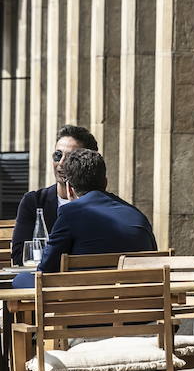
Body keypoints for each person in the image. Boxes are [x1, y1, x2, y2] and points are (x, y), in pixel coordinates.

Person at [11, 148, 155, 289]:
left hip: (84, 307)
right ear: (105, 182)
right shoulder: (137, 215)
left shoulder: (69, 214)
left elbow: (45, 271)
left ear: (69, 189)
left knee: (20, 280)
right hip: (137, 305)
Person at [10, 124, 99, 265]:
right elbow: (19, 255)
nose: (61, 163)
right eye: (58, 155)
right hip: (41, 279)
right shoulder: (33, 202)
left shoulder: (100, 204)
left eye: (70, 158)